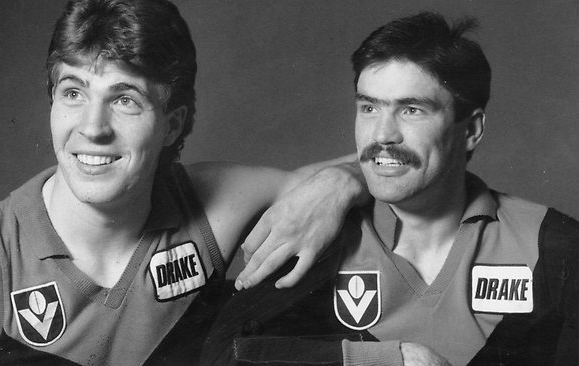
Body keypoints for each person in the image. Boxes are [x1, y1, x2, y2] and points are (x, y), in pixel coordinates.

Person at [0, 1, 367, 365]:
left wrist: (341, 182)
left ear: (172, 125)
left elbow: (385, 168)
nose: (92, 127)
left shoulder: (207, 208)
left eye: (124, 99)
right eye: (73, 92)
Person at [200, 12, 579, 366]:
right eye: (369, 108)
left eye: (412, 110)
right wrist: (393, 359)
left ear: (471, 130)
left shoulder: (546, 244)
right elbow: (223, 354)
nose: (382, 134)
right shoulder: (323, 238)